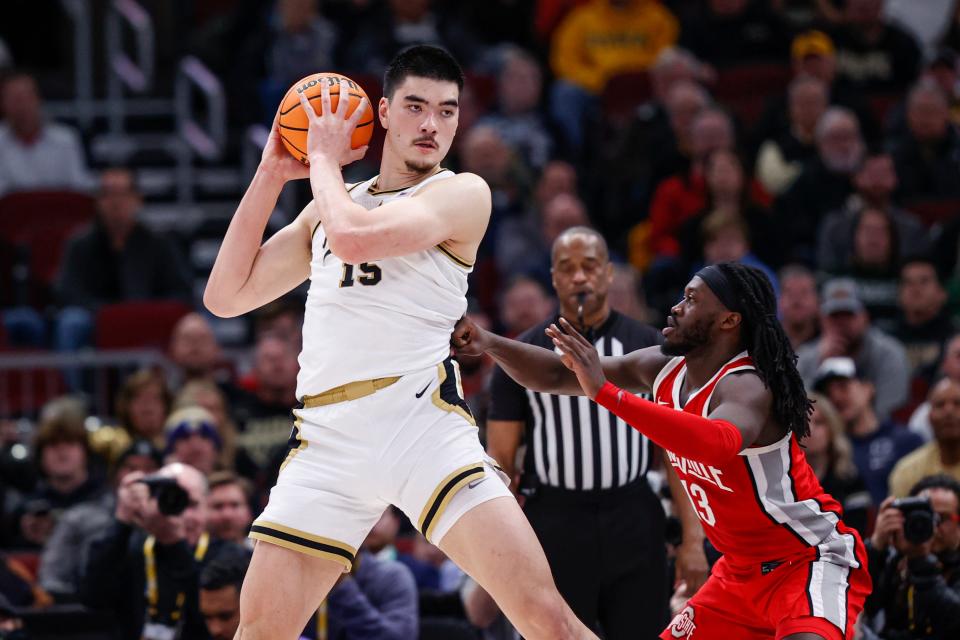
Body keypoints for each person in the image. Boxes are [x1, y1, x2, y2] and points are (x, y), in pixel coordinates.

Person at [203, 45, 598, 640]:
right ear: (383, 113)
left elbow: (357, 240)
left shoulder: (463, 193)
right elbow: (225, 296)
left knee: (546, 619)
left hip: (420, 427)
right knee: (258, 631)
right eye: (415, 107)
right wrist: (271, 173)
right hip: (328, 440)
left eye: (447, 110)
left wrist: (321, 161)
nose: (431, 124)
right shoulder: (331, 206)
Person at [453, 261, 872, 640]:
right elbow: (553, 374)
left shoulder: (748, 384)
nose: (675, 307)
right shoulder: (661, 367)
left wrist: (608, 394)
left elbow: (718, 444)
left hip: (805, 560)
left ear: (729, 319)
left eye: (691, 299)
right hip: (737, 572)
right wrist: (490, 342)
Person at [486, 226, 694, 638]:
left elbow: (678, 453)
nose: (579, 277)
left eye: (589, 266)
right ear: (554, 277)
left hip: (632, 513)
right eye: (568, 267)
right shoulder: (523, 353)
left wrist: (691, 540)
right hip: (556, 518)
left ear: (609, 273)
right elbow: (502, 464)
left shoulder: (650, 346)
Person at [81, 462, 222, 640]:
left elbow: (205, 615)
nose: (182, 516)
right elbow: (92, 598)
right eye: (171, 502)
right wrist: (123, 519)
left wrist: (174, 543)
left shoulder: (227, 555)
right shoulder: (133, 550)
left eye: (192, 504)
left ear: (207, 507)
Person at [38, 439, 162, 602]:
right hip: (91, 617)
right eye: (131, 468)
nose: (140, 476)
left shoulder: (179, 520)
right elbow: (50, 580)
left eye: (149, 469)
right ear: (116, 473)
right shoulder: (80, 518)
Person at [812, 357, 923, 505]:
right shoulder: (829, 449)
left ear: (868, 388)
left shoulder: (906, 441)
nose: (836, 397)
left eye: (843, 386)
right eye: (828, 393)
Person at [796, 278, 911, 421]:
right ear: (822, 320)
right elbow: (795, 412)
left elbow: (892, 410)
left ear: (865, 317)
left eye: (848, 314)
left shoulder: (889, 354)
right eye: (835, 316)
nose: (842, 323)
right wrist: (820, 367)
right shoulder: (806, 358)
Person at [864, 474, 960, 638]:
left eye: (942, 517)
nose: (933, 525)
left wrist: (920, 562)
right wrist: (875, 547)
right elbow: (859, 604)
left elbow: (954, 620)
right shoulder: (896, 560)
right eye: (924, 516)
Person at [0, 71, 91, 195]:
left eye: (25, 97)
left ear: (38, 99)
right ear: (3, 103)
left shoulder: (65, 139)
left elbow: (78, 187)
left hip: (58, 211)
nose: (21, 105)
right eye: (14, 98)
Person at [804, 393, 872, 535]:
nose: (810, 430)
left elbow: (857, 531)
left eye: (819, 422)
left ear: (831, 429)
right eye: (803, 422)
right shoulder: (781, 482)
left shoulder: (850, 481)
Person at [889, 378, 960, 498]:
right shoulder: (907, 471)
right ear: (929, 417)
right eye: (940, 405)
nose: (949, 411)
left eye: (958, 404)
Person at [205, 471, 254, 546]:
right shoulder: (191, 554)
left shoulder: (265, 552)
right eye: (218, 506)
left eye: (235, 505)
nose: (227, 515)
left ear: (249, 511)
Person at [778, 264, 820, 350]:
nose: (797, 300)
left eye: (804, 292)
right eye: (790, 293)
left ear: (817, 301)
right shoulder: (764, 343)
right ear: (779, 301)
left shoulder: (827, 343)